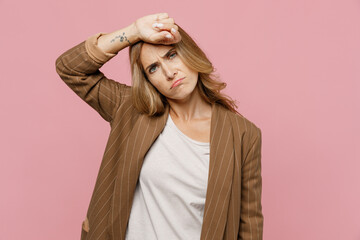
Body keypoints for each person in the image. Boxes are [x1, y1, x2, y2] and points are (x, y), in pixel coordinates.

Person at [55, 12, 263, 240]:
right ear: (148, 79)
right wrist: (133, 31)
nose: (168, 72)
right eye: (153, 68)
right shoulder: (131, 110)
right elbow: (70, 69)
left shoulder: (243, 135)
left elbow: (248, 224)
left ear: (190, 52)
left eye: (172, 55)